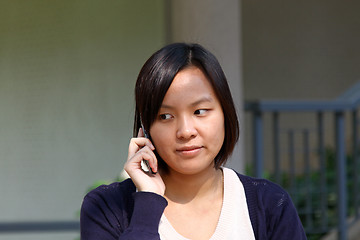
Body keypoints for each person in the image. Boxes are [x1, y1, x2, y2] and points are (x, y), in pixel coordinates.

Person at [80, 43, 307, 240]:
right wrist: (147, 201)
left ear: (225, 114)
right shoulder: (107, 207)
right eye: (165, 116)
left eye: (200, 111)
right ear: (146, 129)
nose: (186, 131)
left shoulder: (269, 204)